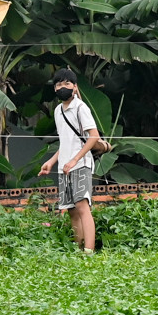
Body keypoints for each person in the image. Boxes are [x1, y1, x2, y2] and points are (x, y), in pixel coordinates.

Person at [40, 68, 105, 253]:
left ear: (75, 87)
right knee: (71, 210)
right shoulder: (58, 111)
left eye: (67, 83)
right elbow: (65, 141)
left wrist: (75, 159)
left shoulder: (80, 108)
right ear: (54, 89)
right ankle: (78, 249)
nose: (63, 87)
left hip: (81, 164)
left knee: (82, 206)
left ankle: (89, 251)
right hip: (64, 166)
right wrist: (51, 162)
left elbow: (94, 136)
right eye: (59, 84)